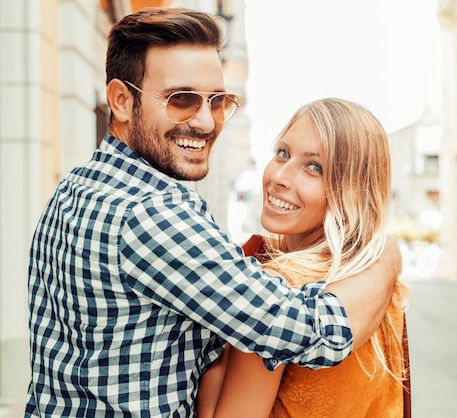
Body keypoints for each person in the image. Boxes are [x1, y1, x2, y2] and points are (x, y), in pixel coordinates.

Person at [25, 8, 402, 417]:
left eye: (218, 101)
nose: (206, 122)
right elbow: (310, 331)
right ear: (121, 100)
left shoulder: (78, 186)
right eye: (181, 99)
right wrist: (386, 259)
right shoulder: (152, 216)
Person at [197, 98, 412, 417]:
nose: (280, 177)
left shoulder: (279, 292)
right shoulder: (378, 283)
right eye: (282, 152)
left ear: (351, 190)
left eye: (314, 167)